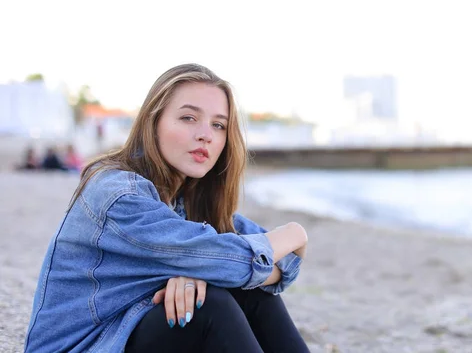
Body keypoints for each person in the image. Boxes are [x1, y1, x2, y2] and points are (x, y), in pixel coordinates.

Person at [25, 64, 309, 352]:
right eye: (188, 118)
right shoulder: (119, 195)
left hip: (126, 337)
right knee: (208, 304)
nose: (205, 135)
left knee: (250, 292)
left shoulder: (185, 199)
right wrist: (294, 233)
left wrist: (202, 270)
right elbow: (248, 258)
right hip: (88, 345)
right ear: (154, 121)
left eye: (218, 125)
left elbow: (278, 264)